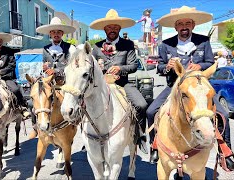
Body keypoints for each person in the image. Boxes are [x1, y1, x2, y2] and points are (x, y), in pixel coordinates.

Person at [146, 6, 234, 170]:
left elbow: (209, 62)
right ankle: (155, 146)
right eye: (181, 23)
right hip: (174, 87)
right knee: (151, 111)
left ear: (193, 25)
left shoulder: (203, 41)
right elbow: (159, 67)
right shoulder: (165, 44)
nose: (184, 26)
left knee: (222, 114)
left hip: (198, 87)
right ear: (176, 27)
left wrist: (199, 65)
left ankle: (225, 152)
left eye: (188, 23)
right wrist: (167, 67)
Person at [90, 9, 148, 154]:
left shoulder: (128, 45)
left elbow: (133, 66)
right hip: (101, 86)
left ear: (119, 28)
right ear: (105, 29)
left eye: (115, 27)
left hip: (122, 84)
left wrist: (119, 68)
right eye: (109, 27)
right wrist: (99, 70)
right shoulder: (96, 47)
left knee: (141, 104)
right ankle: (88, 136)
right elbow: (90, 67)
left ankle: (140, 135)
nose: (112, 30)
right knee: (84, 103)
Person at [27, 17, 76, 139]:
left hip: (64, 81)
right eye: (53, 32)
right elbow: (45, 64)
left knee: (77, 101)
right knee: (31, 102)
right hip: (48, 82)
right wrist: (45, 67)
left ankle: (75, 125)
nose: (56, 34)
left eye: (58, 32)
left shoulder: (69, 48)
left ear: (62, 34)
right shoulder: (45, 49)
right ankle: (35, 127)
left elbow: (70, 65)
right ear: (50, 34)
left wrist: (56, 70)